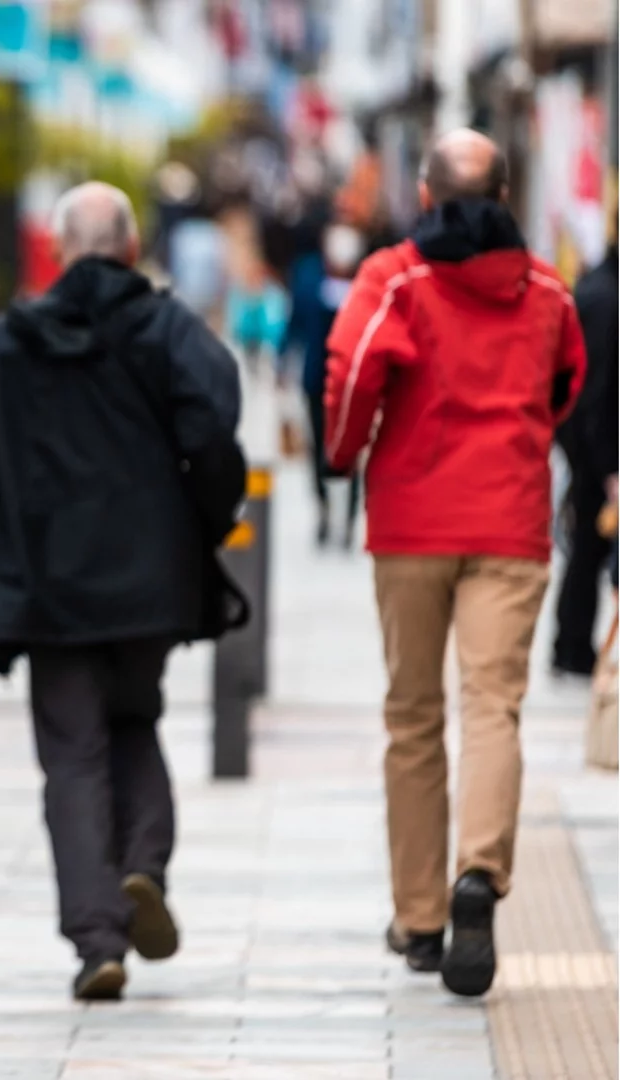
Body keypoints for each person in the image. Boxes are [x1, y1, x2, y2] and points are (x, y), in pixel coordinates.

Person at [0, 182, 247, 1001]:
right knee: (136, 719)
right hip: (150, 579)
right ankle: (143, 866)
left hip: (48, 585)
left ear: (65, 247)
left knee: (72, 755)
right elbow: (215, 432)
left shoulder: (11, 340)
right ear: (132, 245)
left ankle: (97, 937)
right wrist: (202, 526)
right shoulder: (168, 329)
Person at [325, 130, 586, 998]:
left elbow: (355, 368)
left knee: (413, 716)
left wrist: (344, 452)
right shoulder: (547, 287)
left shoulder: (394, 276)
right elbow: (568, 381)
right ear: (507, 194)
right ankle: (480, 873)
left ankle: (423, 916)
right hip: (509, 523)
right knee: (493, 707)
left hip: (410, 522)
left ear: (426, 195)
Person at [553, 237, 617, 676]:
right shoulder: (607, 300)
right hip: (600, 450)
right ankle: (573, 648)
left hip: (587, 445)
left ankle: (572, 647)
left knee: (586, 550)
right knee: (589, 551)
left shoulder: (594, 289)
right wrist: (609, 465)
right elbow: (599, 394)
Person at [282, 221, 365, 547]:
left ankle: (348, 518)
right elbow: (295, 322)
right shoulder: (308, 276)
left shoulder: (364, 281)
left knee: (352, 451)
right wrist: (283, 362)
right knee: (318, 448)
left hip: (355, 381)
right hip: (317, 378)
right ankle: (323, 509)